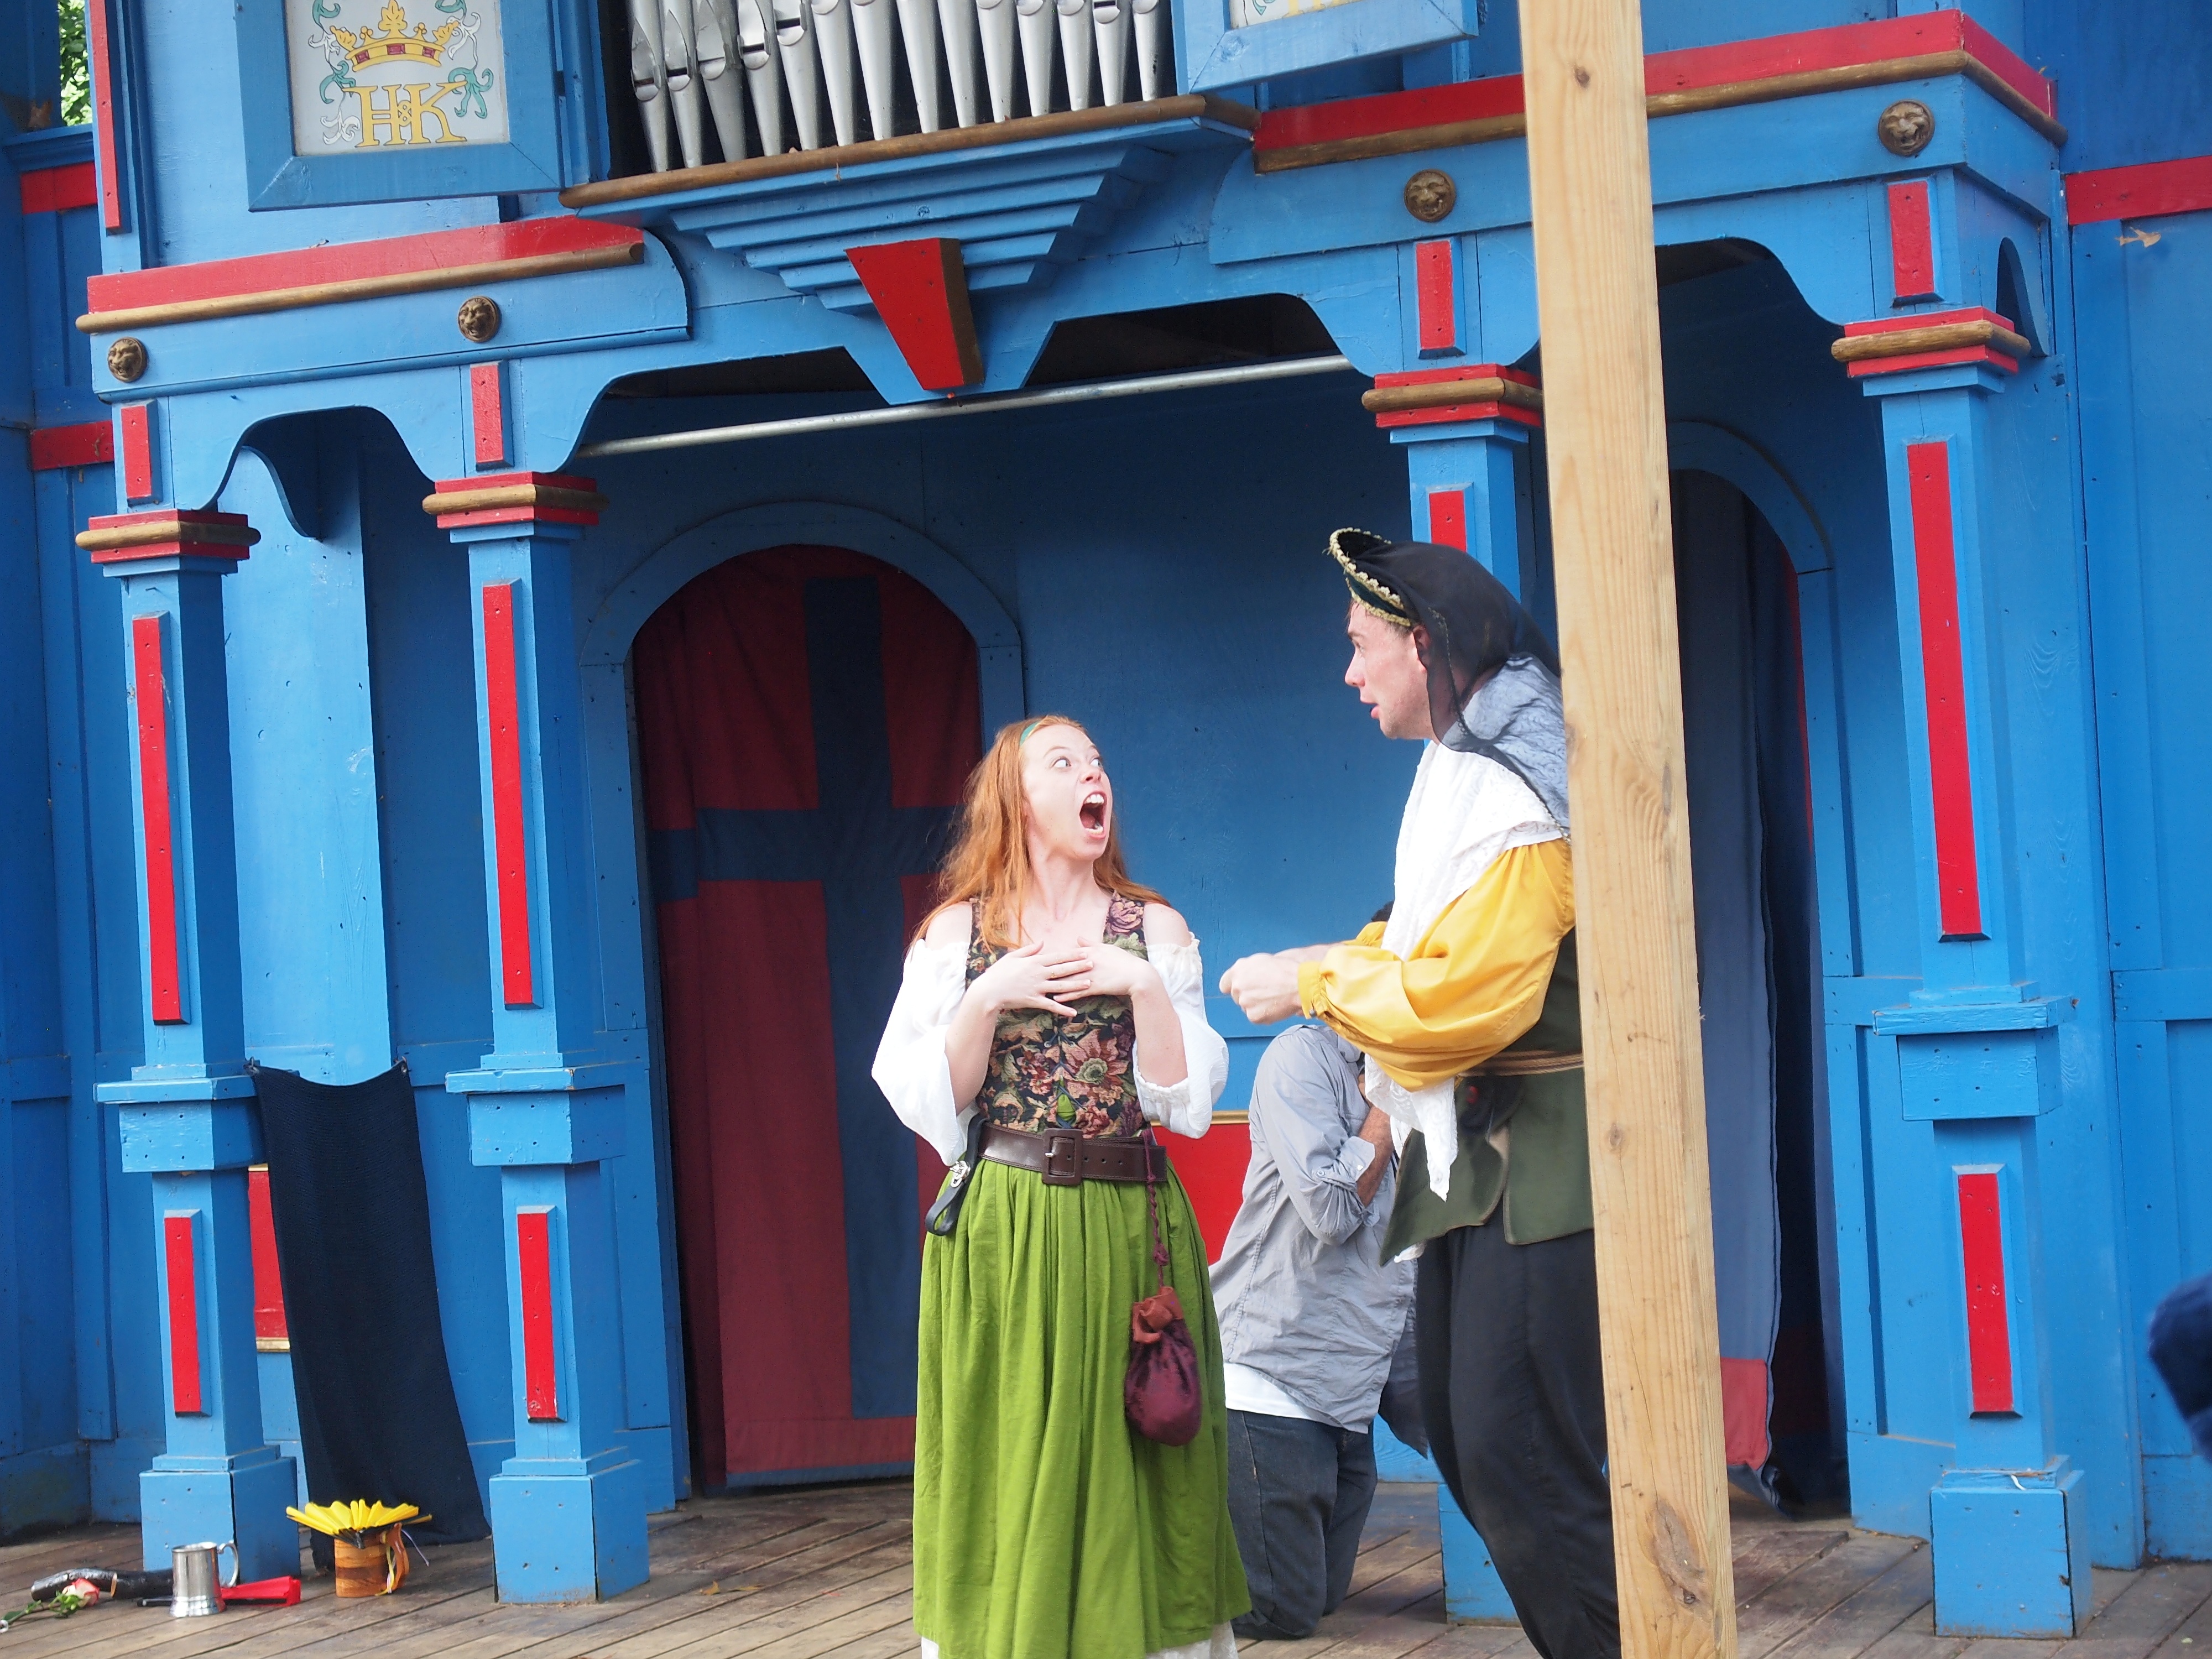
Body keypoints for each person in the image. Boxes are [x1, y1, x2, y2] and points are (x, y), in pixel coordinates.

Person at [1218, 530, 1618, 1659]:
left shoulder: (1514, 781)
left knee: (1517, 1454)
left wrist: (1312, 980)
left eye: (1363, 645)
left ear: (1425, 644)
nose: (1349, 671)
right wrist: (1330, 963)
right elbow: (1416, 939)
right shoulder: (1462, 764)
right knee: (1466, 1437)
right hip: (1473, 1168)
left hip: (1541, 1164)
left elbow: (1466, 998)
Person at [873, 715, 1249, 1659]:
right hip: (1007, 1227)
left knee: (1142, 1444)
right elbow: (932, 1104)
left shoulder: (1153, 929)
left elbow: (1185, 1105)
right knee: (1012, 1449)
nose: (1095, 776)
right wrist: (986, 997)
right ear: (1018, 797)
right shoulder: (957, 935)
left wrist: (1142, 987)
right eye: (1066, 761)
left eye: (1099, 763)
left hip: (1129, 1223)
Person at [1209, 1020, 1416, 1641]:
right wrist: (1391, 1098)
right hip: (1272, 1385)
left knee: (1320, 1599)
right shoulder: (1302, 1056)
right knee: (1280, 1611)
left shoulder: (1437, 1080)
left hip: (1348, 1404)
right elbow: (1331, 1211)